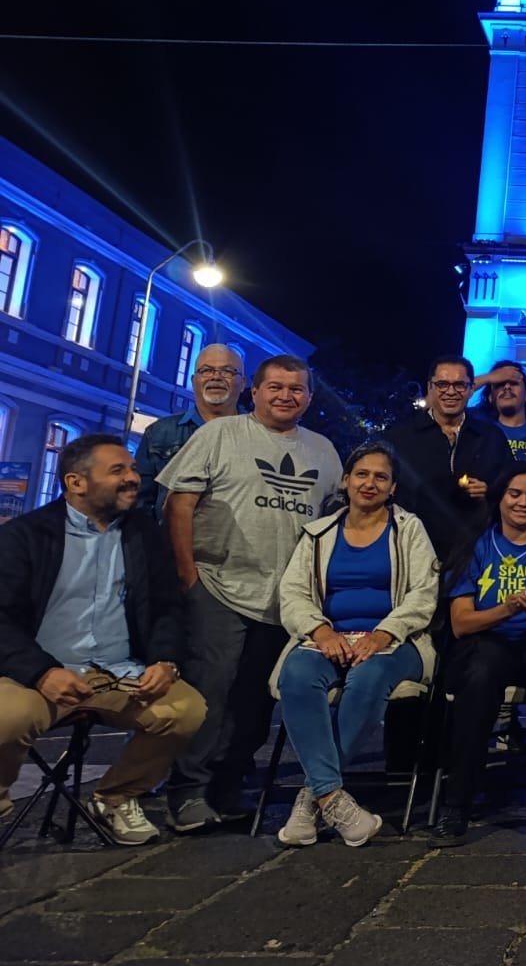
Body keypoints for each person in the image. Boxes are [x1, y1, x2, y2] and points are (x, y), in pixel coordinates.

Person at [158, 354, 342, 833]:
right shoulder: (219, 435)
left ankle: (228, 785)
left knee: (255, 701)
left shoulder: (323, 450)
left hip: (283, 597)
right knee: (209, 692)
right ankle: (187, 791)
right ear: (254, 391)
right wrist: (188, 576)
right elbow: (179, 504)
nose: (286, 396)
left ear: (309, 397)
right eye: (276, 387)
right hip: (218, 586)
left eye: (297, 389)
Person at [0, 435, 205, 845]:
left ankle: (114, 797)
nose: (133, 478)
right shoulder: (25, 536)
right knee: (6, 718)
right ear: (76, 482)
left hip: (118, 673)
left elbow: (167, 606)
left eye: (131, 469)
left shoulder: (143, 533)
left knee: (186, 710)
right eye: (119, 471)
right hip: (41, 675)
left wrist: (165, 661)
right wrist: (41, 672)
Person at [269, 442, 438, 848]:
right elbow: (292, 594)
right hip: (329, 636)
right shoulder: (318, 534)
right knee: (296, 676)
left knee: (370, 675)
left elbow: (423, 594)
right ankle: (333, 798)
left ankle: (312, 797)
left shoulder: (409, 530)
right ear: (346, 481)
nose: (370, 483)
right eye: (362, 474)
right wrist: (321, 632)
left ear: (393, 487)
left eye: (381, 476)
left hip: (396, 640)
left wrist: (384, 633)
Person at [430, 463, 526, 846]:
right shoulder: (477, 543)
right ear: (500, 497)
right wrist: (507, 609)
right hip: (489, 636)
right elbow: (461, 624)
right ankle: (457, 803)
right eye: (515, 494)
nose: (523, 502)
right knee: (479, 675)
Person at [382, 356, 514, 561]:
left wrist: (489, 492)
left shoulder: (491, 437)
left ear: (471, 389)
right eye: (442, 384)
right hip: (412, 552)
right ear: (430, 387)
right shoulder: (400, 437)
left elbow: (511, 490)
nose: (451, 391)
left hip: (475, 555)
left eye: (460, 385)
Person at [133, 343, 247, 520]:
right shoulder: (159, 433)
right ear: (194, 381)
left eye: (227, 371)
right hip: (168, 545)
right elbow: (139, 504)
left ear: (243, 384)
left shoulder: (258, 436)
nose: (216, 377)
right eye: (206, 370)